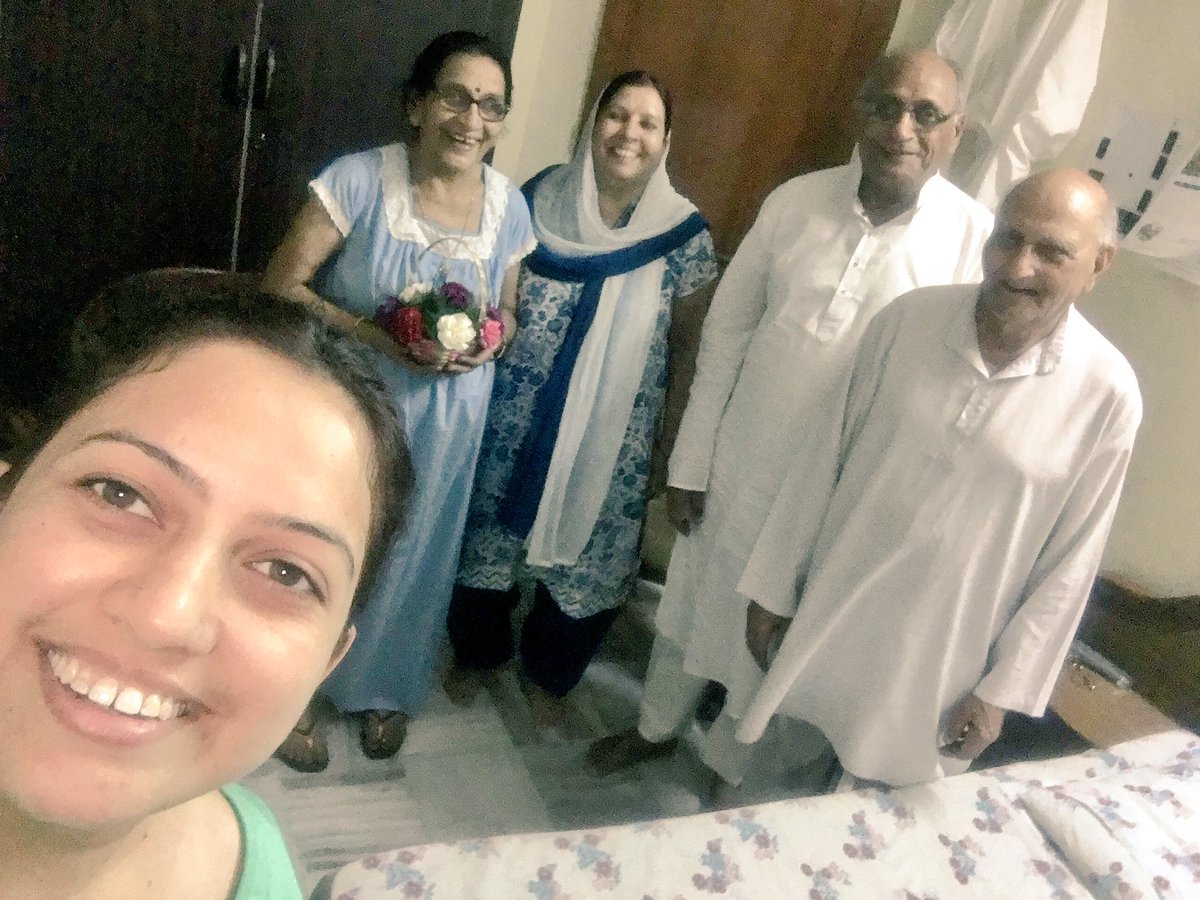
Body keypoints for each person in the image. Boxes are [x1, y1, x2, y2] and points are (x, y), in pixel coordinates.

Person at [589, 49, 994, 781]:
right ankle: (655, 727)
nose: (902, 128)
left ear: (956, 132)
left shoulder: (975, 242)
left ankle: (725, 766)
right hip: (742, 465)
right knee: (690, 613)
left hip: (840, 500)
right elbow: (727, 333)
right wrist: (691, 460)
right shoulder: (795, 202)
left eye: (926, 113)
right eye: (886, 106)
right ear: (859, 113)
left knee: (775, 645)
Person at [0, 271, 411, 898]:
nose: (165, 615)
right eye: (119, 494)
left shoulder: (260, 872)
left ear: (327, 662)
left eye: (287, 572)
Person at [735, 168, 1139, 787]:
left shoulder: (1106, 394)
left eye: (1052, 252)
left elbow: (1071, 564)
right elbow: (820, 464)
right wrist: (771, 586)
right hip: (830, 612)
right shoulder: (909, 322)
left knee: (881, 818)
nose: (1018, 266)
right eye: (1008, 237)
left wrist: (1003, 690)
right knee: (769, 785)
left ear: (1099, 264)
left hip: (944, 659)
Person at [262, 31, 535, 768]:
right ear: (416, 104)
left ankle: (383, 684)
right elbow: (280, 286)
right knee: (324, 543)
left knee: (418, 550)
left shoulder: (509, 206)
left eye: (491, 105)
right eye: (455, 97)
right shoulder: (357, 180)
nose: (471, 119)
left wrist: (490, 341)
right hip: (353, 409)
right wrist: (375, 336)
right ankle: (287, 695)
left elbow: (509, 312)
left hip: (452, 423)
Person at [447, 71, 719, 723]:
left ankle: (549, 673)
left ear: (666, 141)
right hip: (512, 414)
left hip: (614, 434)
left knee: (591, 554)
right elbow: (497, 291)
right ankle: (478, 653)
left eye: (647, 123)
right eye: (616, 115)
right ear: (592, 122)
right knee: (488, 533)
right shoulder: (537, 199)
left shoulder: (684, 236)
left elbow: (691, 348)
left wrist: (674, 443)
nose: (629, 133)